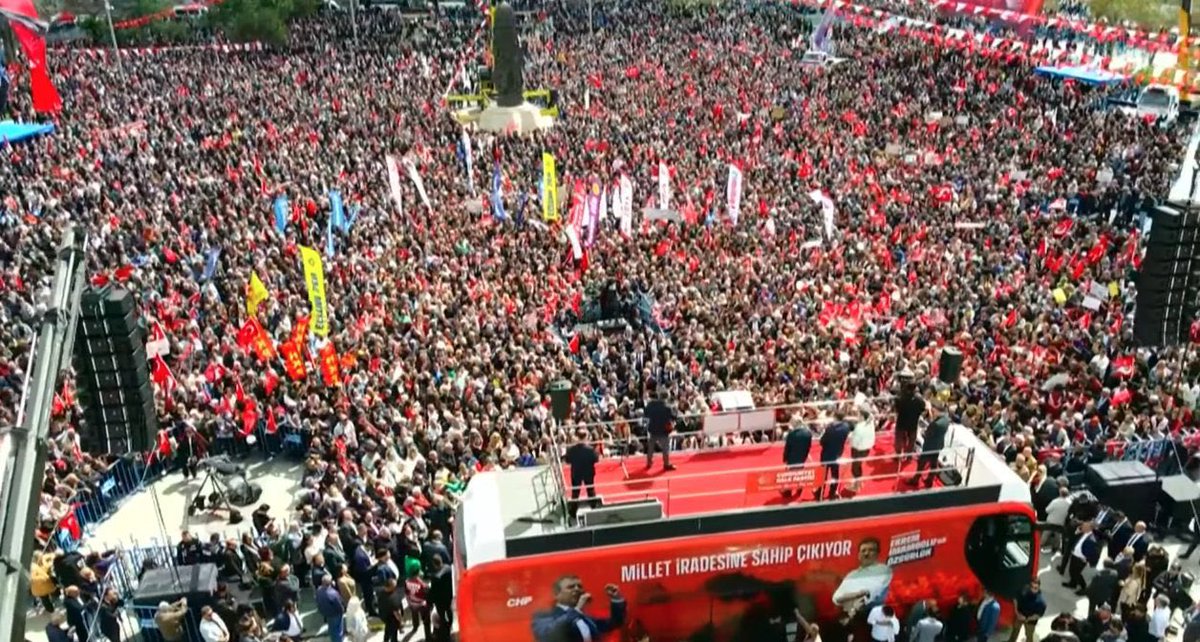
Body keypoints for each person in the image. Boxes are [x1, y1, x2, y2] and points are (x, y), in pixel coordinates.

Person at [531, 576, 625, 642]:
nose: (577, 589)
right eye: (570, 587)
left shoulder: (585, 617)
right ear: (556, 594)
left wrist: (616, 598)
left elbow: (615, 622)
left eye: (579, 586)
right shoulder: (544, 616)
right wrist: (576, 610)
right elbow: (549, 635)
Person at [832, 537, 893, 617]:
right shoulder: (852, 574)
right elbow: (836, 598)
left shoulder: (883, 570)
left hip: (872, 613)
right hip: (850, 614)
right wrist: (857, 595)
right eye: (863, 551)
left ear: (877, 553)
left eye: (871, 550)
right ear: (859, 555)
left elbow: (870, 593)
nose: (866, 554)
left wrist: (850, 599)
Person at [913, 397, 950, 488]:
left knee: (921, 463)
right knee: (933, 464)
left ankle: (916, 479)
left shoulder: (935, 424)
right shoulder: (946, 419)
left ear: (937, 410)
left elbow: (927, 434)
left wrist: (923, 432)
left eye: (933, 411)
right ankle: (929, 480)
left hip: (930, 446)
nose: (932, 412)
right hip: (938, 444)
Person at [564, 428, 600, 517]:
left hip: (576, 472)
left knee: (575, 492)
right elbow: (596, 459)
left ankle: (573, 511)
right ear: (586, 437)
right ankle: (594, 508)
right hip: (588, 472)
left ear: (577, 436)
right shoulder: (590, 449)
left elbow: (567, 460)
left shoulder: (572, 449)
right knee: (590, 490)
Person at [817, 411, 851, 500]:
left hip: (826, 454)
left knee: (823, 474)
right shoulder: (846, 427)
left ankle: (820, 492)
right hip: (837, 454)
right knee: (835, 473)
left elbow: (822, 442)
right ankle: (832, 492)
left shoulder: (830, 429)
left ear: (835, 417)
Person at [643, 389, 676, 471]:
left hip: (653, 429)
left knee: (651, 447)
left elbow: (645, 413)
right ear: (667, 397)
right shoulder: (667, 407)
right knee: (665, 448)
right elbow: (674, 416)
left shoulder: (651, 405)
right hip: (663, 430)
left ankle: (649, 462)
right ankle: (666, 464)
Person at [1067, 522, 1101, 594]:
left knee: (1077, 573)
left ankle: (1084, 587)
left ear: (1089, 528)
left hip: (1081, 559)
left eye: (1084, 526)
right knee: (1071, 571)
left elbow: (1093, 553)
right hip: (1074, 555)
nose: (1082, 527)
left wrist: (1087, 560)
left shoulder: (1091, 539)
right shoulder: (1083, 533)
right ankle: (1072, 584)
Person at [783, 420, 814, 498]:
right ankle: (799, 488)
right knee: (800, 472)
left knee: (791, 474)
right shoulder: (808, 433)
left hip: (792, 457)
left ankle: (788, 491)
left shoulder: (791, 434)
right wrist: (805, 455)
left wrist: (785, 458)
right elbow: (809, 446)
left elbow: (787, 448)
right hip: (802, 456)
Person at [315, 574, 346, 642]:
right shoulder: (333, 593)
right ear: (331, 582)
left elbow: (317, 600)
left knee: (331, 628)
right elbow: (339, 606)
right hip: (335, 614)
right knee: (338, 630)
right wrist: (342, 610)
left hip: (326, 613)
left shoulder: (318, 590)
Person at [405, 567, 433, 640]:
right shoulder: (422, 584)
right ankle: (428, 637)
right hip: (422, 604)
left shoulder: (407, 581)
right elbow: (426, 594)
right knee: (426, 622)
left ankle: (415, 627)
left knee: (414, 615)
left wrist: (409, 602)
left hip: (412, 603)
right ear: (417, 574)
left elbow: (406, 593)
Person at [1045, 486, 1073, 552]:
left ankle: (1039, 545)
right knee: (1057, 536)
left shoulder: (1055, 501)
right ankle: (1055, 548)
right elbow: (1070, 514)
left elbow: (1047, 510)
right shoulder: (1070, 503)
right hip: (1060, 522)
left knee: (1045, 534)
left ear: (1060, 493)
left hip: (1051, 521)